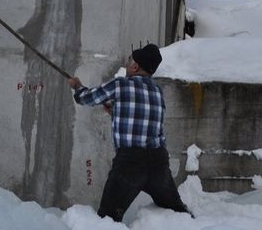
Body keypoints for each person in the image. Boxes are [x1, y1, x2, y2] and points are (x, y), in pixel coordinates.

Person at [67, 43, 192, 222]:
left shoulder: (120, 85)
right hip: (158, 163)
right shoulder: (157, 92)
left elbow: (86, 98)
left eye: (129, 61)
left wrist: (77, 86)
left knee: (107, 219)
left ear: (135, 67)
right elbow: (147, 121)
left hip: (130, 164)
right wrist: (116, 110)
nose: (127, 65)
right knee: (178, 213)